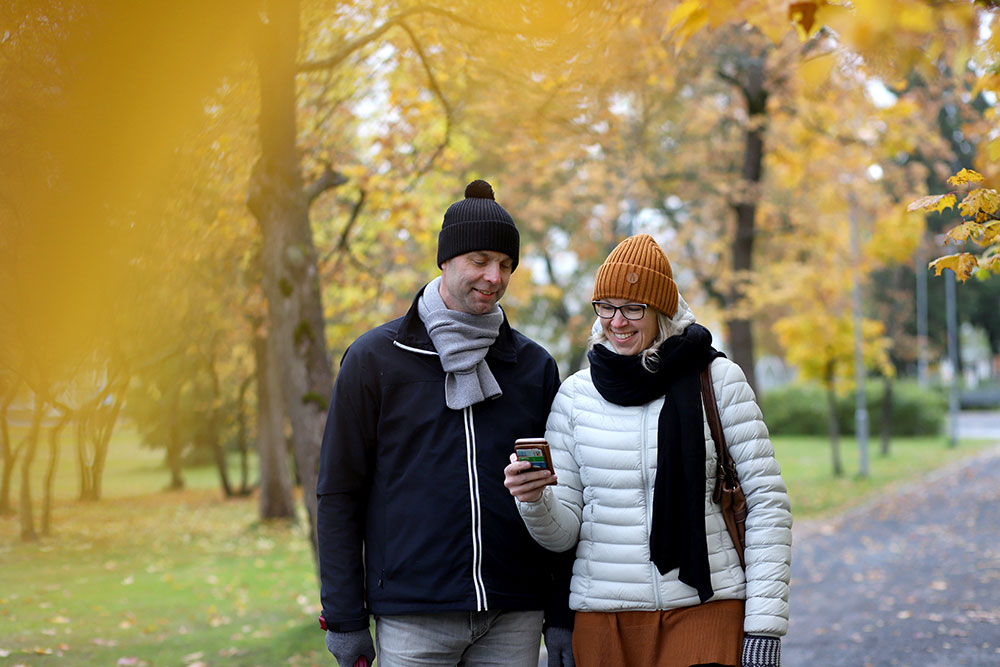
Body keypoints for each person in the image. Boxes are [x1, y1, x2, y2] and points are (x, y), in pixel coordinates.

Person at [317, 180, 574, 667]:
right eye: (480, 260)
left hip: (514, 612)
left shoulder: (533, 366)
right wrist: (345, 617)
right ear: (447, 259)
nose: (493, 276)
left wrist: (561, 614)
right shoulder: (375, 359)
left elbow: (563, 494)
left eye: (505, 264)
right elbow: (338, 493)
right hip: (413, 614)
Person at [504, 234, 792, 667]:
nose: (617, 321)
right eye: (606, 306)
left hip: (705, 608)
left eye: (633, 308)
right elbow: (563, 533)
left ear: (661, 309)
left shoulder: (716, 380)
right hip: (605, 620)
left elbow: (768, 504)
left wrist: (765, 627)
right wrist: (534, 500)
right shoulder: (575, 397)